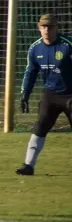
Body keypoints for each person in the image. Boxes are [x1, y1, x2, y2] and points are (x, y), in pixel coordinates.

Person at [17, 13, 72, 176]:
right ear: (39, 28)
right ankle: (28, 165)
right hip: (51, 95)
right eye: (44, 26)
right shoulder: (35, 48)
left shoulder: (68, 45)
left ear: (57, 28)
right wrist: (24, 94)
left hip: (70, 95)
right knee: (40, 126)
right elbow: (30, 72)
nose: (47, 30)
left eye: (50, 27)